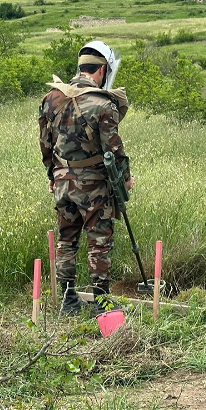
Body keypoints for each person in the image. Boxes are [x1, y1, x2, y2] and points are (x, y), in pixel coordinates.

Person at [38, 41, 133, 315]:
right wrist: (125, 177)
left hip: (62, 180)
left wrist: (52, 175)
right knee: (99, 241)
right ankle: (101, 302)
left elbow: (45, 144)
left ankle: (68, 300)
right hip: (93, 185)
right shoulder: (104, 104)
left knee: (66, 239)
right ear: (102, 70)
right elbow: (113, 149)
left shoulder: (50, 99)